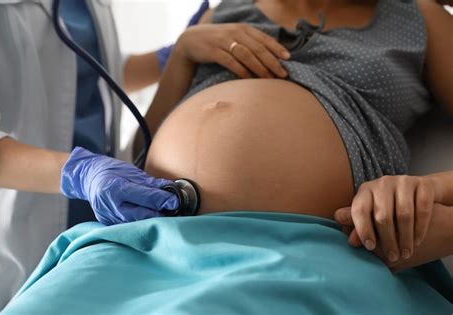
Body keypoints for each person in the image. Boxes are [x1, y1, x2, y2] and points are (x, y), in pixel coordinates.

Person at [139, 0, 453, 272]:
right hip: (158, 239)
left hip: (311, 249)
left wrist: (429, 189)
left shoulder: (419, 16)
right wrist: (183, 53)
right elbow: (139, 155)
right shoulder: (224, 12)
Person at [0, 0, 208, 313]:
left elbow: (85, 68)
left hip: (105, 216)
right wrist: (80, 173)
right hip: (23, 224)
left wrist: (167, 58)